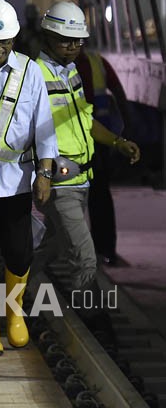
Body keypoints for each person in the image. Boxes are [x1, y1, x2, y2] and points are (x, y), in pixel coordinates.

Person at [32, 1, 140, 338]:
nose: (72, 46)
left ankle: (16, 287)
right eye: (65, 40)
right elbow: (30, 128)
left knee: (50, 246)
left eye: (77, 41)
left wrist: (117, 142)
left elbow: (85, 119)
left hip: (83, 177)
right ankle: (94, 325)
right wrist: (44, 175)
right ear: (48, 37)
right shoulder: (35, 74)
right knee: (85, 257)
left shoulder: (72, 71)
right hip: (59, 181)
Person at [0, 0, 58, 356]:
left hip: (18, 175)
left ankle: (14, 314)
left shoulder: (29, 71)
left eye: (5, 43)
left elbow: (44, 126)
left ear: (15, 39)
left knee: (18, 251)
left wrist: (45, 172)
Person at [74, 49, 131, 265]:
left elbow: (118, 94)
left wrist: (126, 130)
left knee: (98, 196)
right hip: (72, 141)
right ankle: (97, 251)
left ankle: (104, 250)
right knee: (77, 199)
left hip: (98, 141)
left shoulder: (97, 62)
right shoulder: (52, 66)